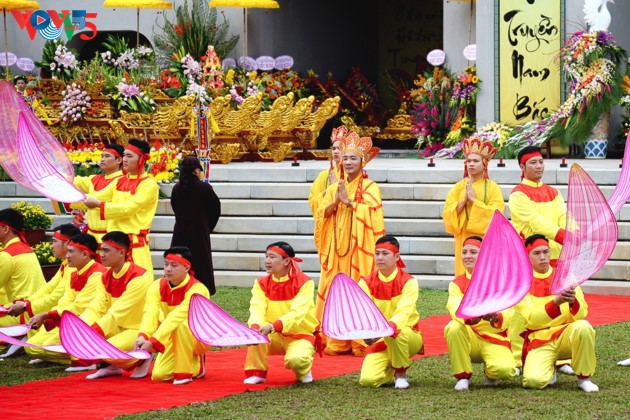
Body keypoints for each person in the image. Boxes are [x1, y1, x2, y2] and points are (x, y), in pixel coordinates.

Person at [313, 130, 384, 356]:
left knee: (357, 289)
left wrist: (351, 203)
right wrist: (335, 202)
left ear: (362, 162)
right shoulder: (334, 186)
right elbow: (321, 215)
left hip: (358, 250)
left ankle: (359, 339)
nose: (349, 162)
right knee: (335, 290)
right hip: (336, 249)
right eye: (346, 158)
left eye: (354, 158)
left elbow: (374, 215)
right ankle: (336, 339)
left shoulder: (371, 187)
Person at [515, 234, 598, 392]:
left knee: (583, 327)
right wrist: (556, 302)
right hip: (539, 339)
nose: (543, 257)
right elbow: (531, 320)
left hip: (565, 334)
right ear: (527, 256)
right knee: (533, 382)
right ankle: (549, 368)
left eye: (546, 252)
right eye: (537, 253)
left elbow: (582, 313)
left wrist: (573, 302)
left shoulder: (565, 275)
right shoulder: (522, 283)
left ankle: (584, 378)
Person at [75, 231, 153, 380]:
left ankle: (144, 356)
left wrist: (92, 333)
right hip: (116, 327)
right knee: (88, 341)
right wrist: (81, 328)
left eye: (106, 250)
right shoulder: (104, 276)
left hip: (137, 329)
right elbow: (96, 307)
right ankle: (112, 366)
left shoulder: (139, 277)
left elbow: (117, 312)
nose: (101, 255)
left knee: (102, 348)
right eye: (101, 250)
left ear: (121, 252)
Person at [444, 236, 515, 391]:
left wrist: (497, 316)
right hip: (470, 336)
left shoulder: (499, 281)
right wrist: (471, 317)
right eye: (464, 252)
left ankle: (491, 372)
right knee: (453, 327)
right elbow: (454, 307)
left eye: (473, 252)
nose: (467, 256)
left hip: (493, 337)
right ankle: (463, 376)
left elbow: (509, 310)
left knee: (504, 371)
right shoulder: (456, 284)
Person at [25, 233, 106, 369]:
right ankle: (64, 355)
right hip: (68, 320)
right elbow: (65, 301)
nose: (67, 256)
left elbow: (78, 307)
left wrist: (46, 315)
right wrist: (49, 316)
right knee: (32, 348)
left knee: (47, 348)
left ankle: (93, 360)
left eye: (71, 251)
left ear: (85, 255)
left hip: (85, 323)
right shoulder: (74, 273)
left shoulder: (97, 274)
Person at [243, 242, 319, 385]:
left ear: (286, 261)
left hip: (299, 334)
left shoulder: (304, 283)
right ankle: (257, 372)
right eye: (266, 256)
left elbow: (298, 312)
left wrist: (272, 326)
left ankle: (304, 369)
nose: (267, 261)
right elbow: (256, 308)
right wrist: (255, 327)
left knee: (296, 360)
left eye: (272, 257)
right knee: (256, 333)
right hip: (273, 334)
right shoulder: (261, 283)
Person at [84, 139, 159, 278]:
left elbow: (128, 209)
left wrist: (98, 204)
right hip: (114, 244)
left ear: (142, 159)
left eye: (129, 156)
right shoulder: (120, 181)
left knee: (137, 284)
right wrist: (67, 197)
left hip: (133, 245)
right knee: (111, 285)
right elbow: (96, 197)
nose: (124, 159)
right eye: (124, 155)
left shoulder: (148, 185)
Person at [134, 246, 209, 385]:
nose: (168, 269)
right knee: (159, 375)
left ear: (187, 268)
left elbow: (177, 317)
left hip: (198, 336)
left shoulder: (198, 289)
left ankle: (186, 372)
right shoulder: (157, 286)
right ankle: (190, 361)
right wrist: (143, 335)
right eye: (166, 264)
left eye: (174, 265)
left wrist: (153, 341)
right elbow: (150, 312)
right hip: (171, 334)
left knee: (180, 324)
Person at [357, 236, 423, 389]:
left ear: (397, 257)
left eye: (385, 253)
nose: (380, 257)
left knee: (395, 332)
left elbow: (403, 313)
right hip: (380, 339)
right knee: (368, 381)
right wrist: (367, 333)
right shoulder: (365, 283)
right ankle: (393, 368)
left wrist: (383, 331)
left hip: (407, 336)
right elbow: (363, 313)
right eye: (377, 253)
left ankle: (400, 373)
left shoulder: (409, 282)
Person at [443, 136, 504, 276]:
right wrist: (463, 201)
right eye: (469, 161)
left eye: (476, 161)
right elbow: (447, 213)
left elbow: (497, 214)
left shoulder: (492, 187)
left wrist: (475, 202)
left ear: (484, 164)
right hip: (464, 235)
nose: (471, 164)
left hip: (485, 238)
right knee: (464, 273)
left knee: (484, 273)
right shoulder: (459, 187)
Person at [4, 224, 80, 327]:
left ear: (67, 244)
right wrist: (26, 304)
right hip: (44, 311)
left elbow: (55, 297)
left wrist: (26, 305)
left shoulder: (73, 268)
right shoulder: (66, 264)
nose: (51, 245)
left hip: (64, 319)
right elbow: (49, 288)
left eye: (54, 241)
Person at [170, 156, 221, 295]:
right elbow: (215, 208)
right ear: (197, 170)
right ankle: (202, 291)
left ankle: (178, 288)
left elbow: (174, 207)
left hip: (180, 231)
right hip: (199, 232)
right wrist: (207, 226)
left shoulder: (176, 188)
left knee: (179, 259)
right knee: (201, 263)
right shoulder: (204, 187)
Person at [508, 146, 567, 267]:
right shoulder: (518, 194)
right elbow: (534, 222)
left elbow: (564, 215)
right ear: (522, 167)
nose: (539, 166)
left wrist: (573, 231)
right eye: (533, 162)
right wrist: (563, 235)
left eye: (541, 162)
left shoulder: (554, 191)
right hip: (532, 255)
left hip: (557, 253)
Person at [71, 143, 124, 242]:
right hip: (91, 236)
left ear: (119, 160)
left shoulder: (122, 181)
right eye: (102, 156)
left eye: (107, 156)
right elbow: (74, 181)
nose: (102, 159)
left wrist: (71, 197)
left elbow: (99, 198)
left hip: (110, 238)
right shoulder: (95, 179)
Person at [0, 208, 45, 309]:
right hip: (35, 308)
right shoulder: (28, 249)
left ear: (6, 229)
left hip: (21, 312)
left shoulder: (7, 255)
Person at [308, 125, 346, 217]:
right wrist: (328, 190)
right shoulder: (324, 175)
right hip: (328, 219)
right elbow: (313, 200)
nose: (336, 151)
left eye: (339, 148)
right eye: (334, 148)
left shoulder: (352, 175)